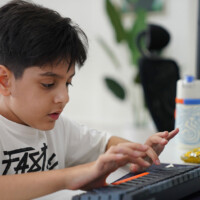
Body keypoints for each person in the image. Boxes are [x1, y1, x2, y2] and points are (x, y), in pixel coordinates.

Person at [0, 0, 179, 199]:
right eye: (48, 84)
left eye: (68, 83)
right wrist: (69, 177)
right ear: (4, 80)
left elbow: (105, 143)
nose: (64, 98)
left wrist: (138, 156)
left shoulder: (58, 127)